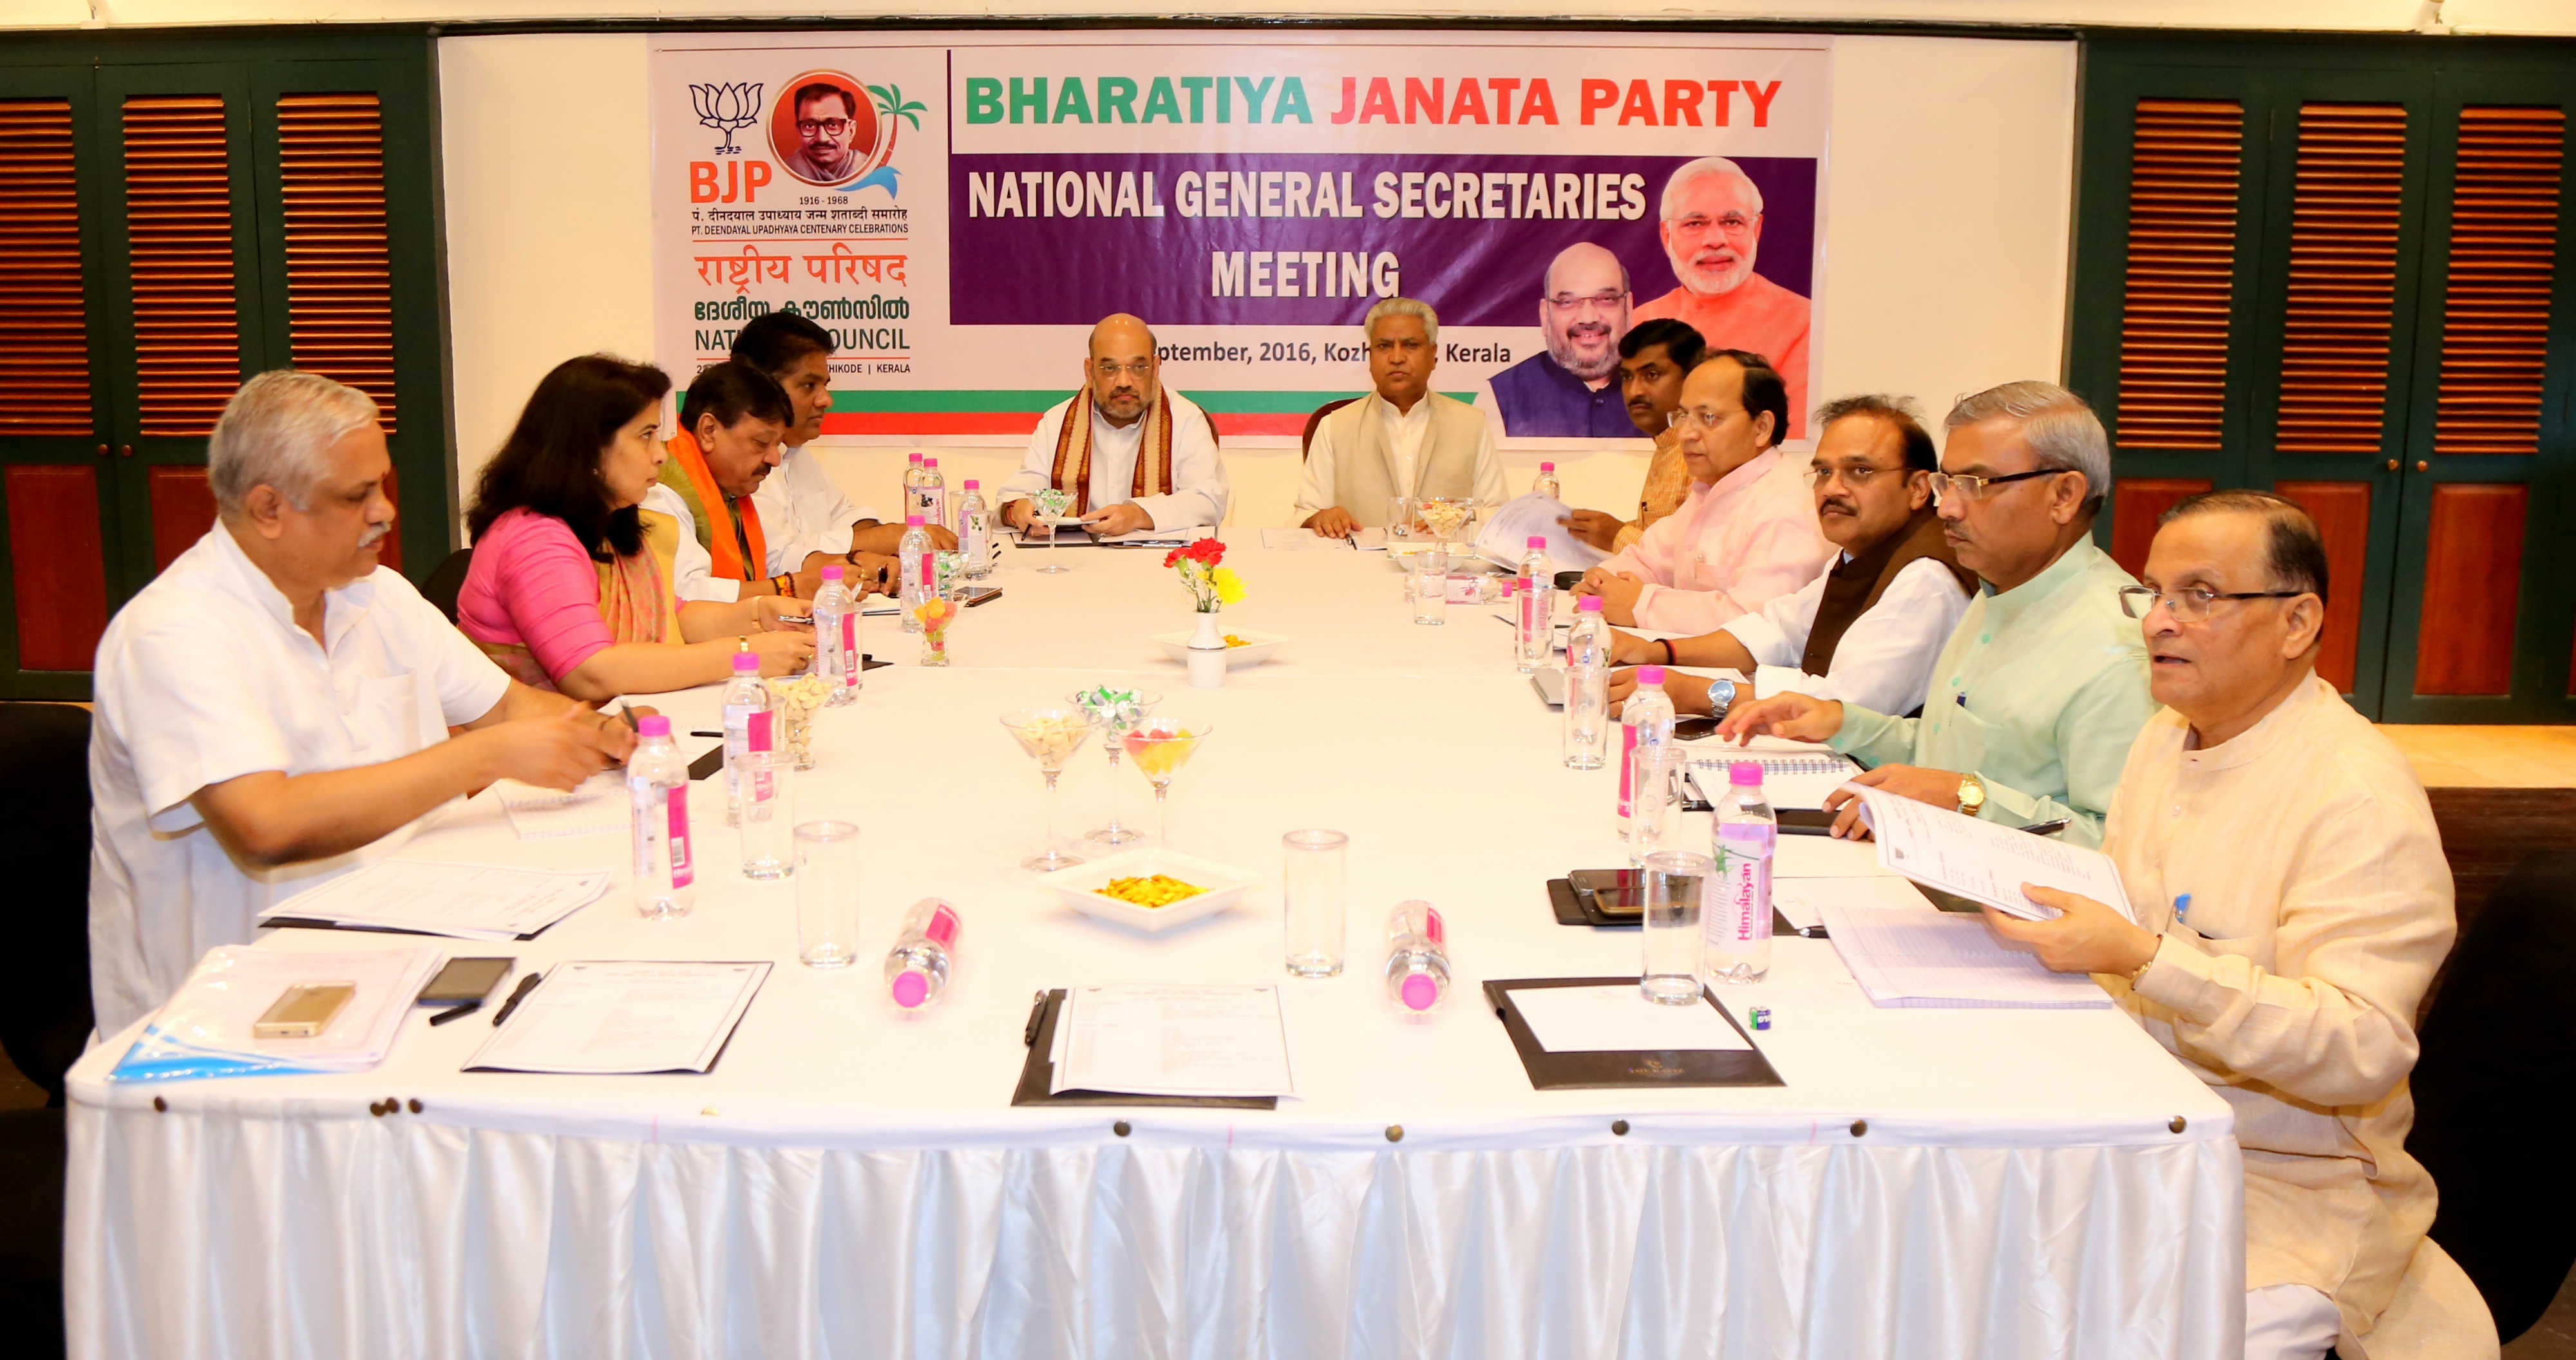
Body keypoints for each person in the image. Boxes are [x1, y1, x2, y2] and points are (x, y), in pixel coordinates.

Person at [1984, 492, 2456, 1360]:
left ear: (2297, 622)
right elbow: (2129, 927)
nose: (2161, 622)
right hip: (2138, 1131)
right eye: (2154, 593)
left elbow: (2365, 1047)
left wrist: (2148, 960)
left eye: (2201, 595)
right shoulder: (2167, 737)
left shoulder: (2354, 794)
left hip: (2286, 1187)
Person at [88, 372, 638, 1034]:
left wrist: (616, 735)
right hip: (232, 1017)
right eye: (357, 495)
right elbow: (265, 826)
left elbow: (508, 709)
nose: (385, 511)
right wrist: (480, 759)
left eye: (382, 484)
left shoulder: (377, 594)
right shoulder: (176, 632)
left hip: (402, 946)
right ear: (268, 509)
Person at [1718, 381, 2155, 847]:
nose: (1946, 508)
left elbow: (2117, 841)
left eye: (1975, 485)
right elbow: (1946, 752)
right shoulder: (1998, 591)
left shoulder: (2117, 647)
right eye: (1948, 482)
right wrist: (1843, 722)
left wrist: (1967, 798)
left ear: (2064, 496)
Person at [459, 355, 815, 699]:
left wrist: (757, 614)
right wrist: (745, 654)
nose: (660, 454)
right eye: (645, 436)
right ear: (589, 447)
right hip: (529, 748)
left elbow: (672, 615)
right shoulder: (532, 538)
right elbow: (591, 672)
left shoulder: (610, 520)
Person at [1605, 394, 1974, 720]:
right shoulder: (1860, 551)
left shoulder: (1926, 578)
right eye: (1824, 472)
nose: (1832, 489)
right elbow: (1780, 631)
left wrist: (1696, 694)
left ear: (1918, 489)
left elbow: (1844, 706)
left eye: (1860, 471)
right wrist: (1657, 653)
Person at [1573, 348, 1830, 632]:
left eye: (1708, 418)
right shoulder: (1712, 490)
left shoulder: (1787, 509)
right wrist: (1601, 583)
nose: (1686, 433)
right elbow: (1648, 561)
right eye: (1683, 416)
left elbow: (1754, 623)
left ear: (1761, 428)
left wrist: (1640, 603)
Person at [730, 311, 949, 594]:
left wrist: (895, 542)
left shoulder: (796, 452)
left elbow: (845, 516)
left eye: (825, 385)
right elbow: (779, 559)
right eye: (809, 386)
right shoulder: (742, 466)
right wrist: (893, 536)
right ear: (761, 386)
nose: (826, 400)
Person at [998, 313, 1231, 536]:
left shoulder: (1186, 420)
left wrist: (1139, 515)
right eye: (1110, 368)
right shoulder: (1058, 422)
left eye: (1138, 367)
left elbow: (1208, 500)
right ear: (1090, 371)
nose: (1124, 381)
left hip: (1157, 568)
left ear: (1156, 368)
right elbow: (1022, 490)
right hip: (1075, 567)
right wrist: (1017, 509)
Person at [1295, 297, 1507, 538]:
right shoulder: (1335, 425)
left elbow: (1497, 512)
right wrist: (1321, 518)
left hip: (1445, 569)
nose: (1396, 358)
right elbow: (1305, 514)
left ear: (1433, 354)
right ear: (1370, 357)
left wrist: (1459, 517)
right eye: (1384, 346)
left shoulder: (1471, 424)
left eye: (1410, 345)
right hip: (1358, 570)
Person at [1633, 157, 1810, 439]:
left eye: (1732, 221)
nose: (1715, 239)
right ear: (1667, 235)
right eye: (1695, 223)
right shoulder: (1638, 323)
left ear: (1756, 229)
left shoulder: (1803, 322)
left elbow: (1791, 445)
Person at [1560, 318, 1704, 553]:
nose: (1634, 391)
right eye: (1627, 377)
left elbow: (1694, 557)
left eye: (1652, 375)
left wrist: (1617, 536)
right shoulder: (1666, 444)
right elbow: (1659, 534)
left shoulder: (1705, 450)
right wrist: (1594, 532)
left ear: (1692, 379)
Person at [1475, 242, 1638, 439]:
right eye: (1567, 303)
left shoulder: (1668, 394)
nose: (1588, 318)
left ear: (1628, 308)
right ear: (1545, 316)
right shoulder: (1499, 399)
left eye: (1606, 299)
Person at [781, 82, 864, 185]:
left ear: (851, 131)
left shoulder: (872, 170)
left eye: (833, 125)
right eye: (809, 126)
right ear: (799, 131)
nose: (822, 138)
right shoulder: (781, 174)